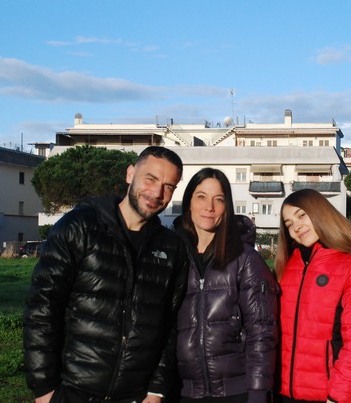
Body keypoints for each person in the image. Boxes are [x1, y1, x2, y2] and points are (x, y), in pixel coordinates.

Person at [23, 146, 189, 403]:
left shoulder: (171, 248)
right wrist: (44, 388)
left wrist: (156, 391)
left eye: (169, 186)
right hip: (73, 390)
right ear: (130, 173)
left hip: (136, 395)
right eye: (150, 179)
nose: (157, 193)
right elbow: (42, 310)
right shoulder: (79, 227)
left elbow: (169, 325)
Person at [172, 168, 278, 403]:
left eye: (218, 199)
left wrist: (259, 393)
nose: (209, 207)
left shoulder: (245, 258)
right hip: (182, 391)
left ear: (226, 207)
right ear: (188, 202)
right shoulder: (172, 254)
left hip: (235, 392)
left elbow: (261, 330)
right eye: (201, 197)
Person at [274, 188, 351, 403]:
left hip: (326, 395)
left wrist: (338, 397)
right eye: (289, 223)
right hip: (282, 393)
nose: (296, 226)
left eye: (301, 215)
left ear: (319, 213)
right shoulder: (286, 267)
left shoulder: (350, 265)